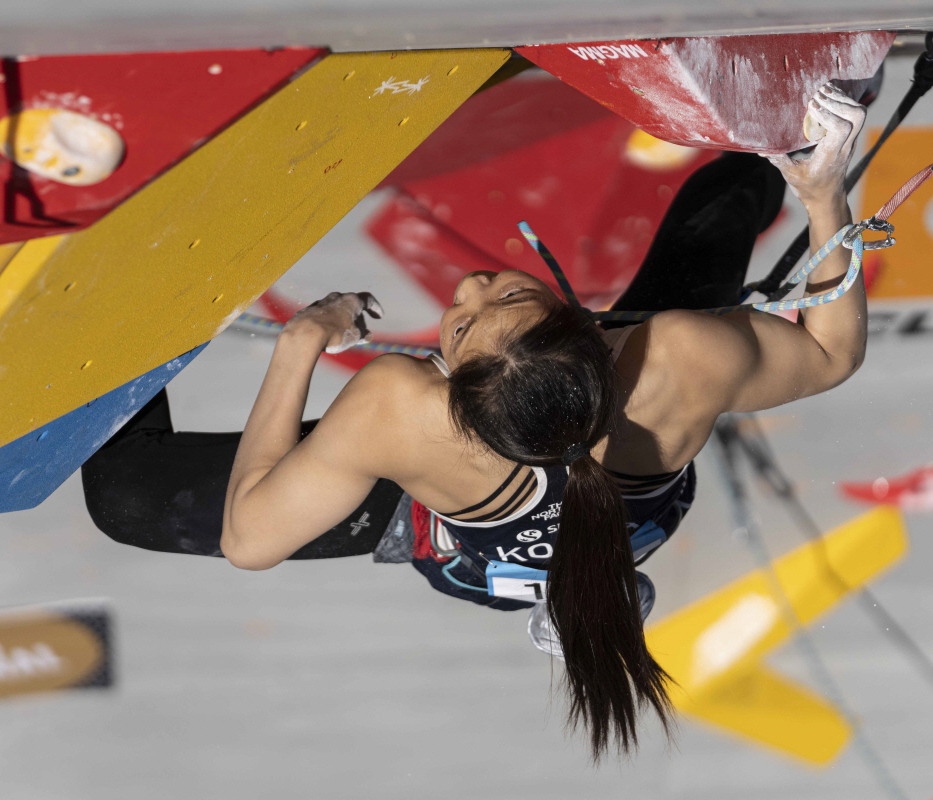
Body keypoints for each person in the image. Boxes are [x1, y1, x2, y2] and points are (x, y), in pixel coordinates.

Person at [82, 84, 868, 758]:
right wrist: (821, 188)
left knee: (127, 498)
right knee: (726, 201)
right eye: (504, 296)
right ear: (589, 322)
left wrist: (300, 344)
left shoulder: (402, 412)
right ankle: (797, 137)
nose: (471, 285)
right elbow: (830, 354)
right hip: (605, 498)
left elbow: (249, 537)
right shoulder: (675, 359)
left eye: (459, 324)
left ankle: (99, 270)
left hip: (459, 530)